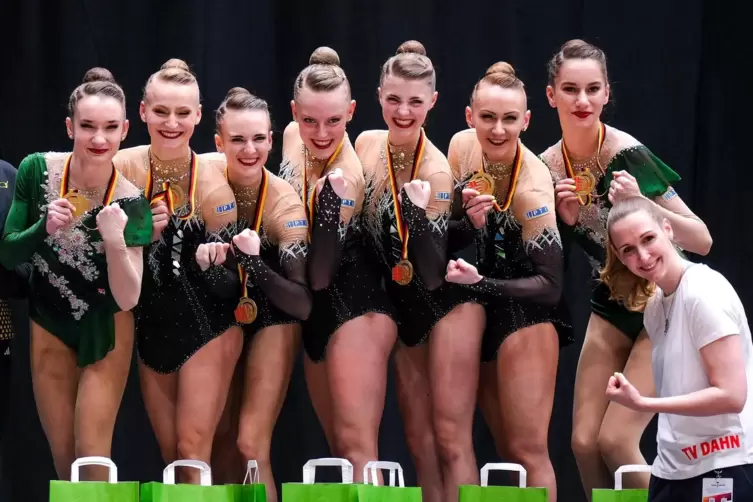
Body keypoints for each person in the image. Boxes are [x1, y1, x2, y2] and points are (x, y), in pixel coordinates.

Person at [539, 39, 713, 499]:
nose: (582, 101)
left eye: (592, 89)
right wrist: (567, 219)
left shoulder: (628, 154)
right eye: (571, 89)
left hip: (662, 300)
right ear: (551, 94)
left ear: (606, 93)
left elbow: (702, 239)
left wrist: (643, 204)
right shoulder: (545, 167)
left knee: (615, 441)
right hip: (611, 301)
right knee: (581, 443)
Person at [0, 68, 152, 481]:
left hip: (106, 324)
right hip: (48, 320)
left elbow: (128, 297)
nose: (98, 139)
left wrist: (116, 241)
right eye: (87, 126)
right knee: (65, 461)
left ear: (124, 129)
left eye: (108, 128)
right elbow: (9, 254)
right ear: (70, 126)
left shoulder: (132, 202)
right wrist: (42, 227)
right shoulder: (37, 170)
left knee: (91, 459)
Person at [445, 62, 572, 502]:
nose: (498, 130)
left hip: (528, 311)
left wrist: (481, 285)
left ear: (527, 120)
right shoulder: (461, 147)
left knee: (527, 449)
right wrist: (462, 220)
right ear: (468, 116)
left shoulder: (533, 186)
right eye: (487, 118)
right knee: (499, 447)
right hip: (482, 300)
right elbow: (451, 231)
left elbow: (552, 285)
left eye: (510, 119)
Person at [113, 59, 241, 484]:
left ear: (199, 116)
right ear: (143, 111)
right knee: (172, 459)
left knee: (191, 455)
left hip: (206, 323)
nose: (172, 123)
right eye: (162, 111)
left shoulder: (214, 182)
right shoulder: (121, 166)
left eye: (183, 113)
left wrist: (211, 259)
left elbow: (232, 282)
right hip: (152, 326)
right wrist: (136, 232)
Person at [356, 40, 470, 502]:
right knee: (418, 439)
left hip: (437, 300)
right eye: (394, 99)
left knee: (446, 437)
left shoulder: (437, 172)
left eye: (415, 102)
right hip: (393, 299)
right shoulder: (365, 143)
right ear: (380, 95)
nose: (403, 112)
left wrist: (419, 216)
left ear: (433, 104)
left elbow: (431, 270)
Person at [279, 46, 397, 482]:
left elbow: (321, 273)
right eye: (310, 120)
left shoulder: (346, 179)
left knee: (358, 449)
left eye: (334, 121)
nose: (322, 133)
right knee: (338, 451)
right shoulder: (293, 137)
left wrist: (328, 211)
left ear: (351, 111)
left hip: (355, 305)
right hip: (318, 311)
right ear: (294, 112)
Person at [198, 87, 311, 502]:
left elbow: (301, 303)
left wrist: (256, 264)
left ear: (272, 138)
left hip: (274, 314)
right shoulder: (201, 175)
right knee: (220, 446)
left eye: (259, 139)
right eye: (238, 140)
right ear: (218, 143)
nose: (250, 150)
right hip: (219, 312)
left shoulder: (284, 202)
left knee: (250, 445)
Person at [602, 195, 753, 500]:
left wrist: (644, 404)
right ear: (619, 256)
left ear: (668, 229)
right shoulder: (655, 305)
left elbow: (732, 396)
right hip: (672, 468)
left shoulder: (704, 293)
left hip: (723, 463)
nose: (643, 256)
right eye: (629, 250)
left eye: (648, 239)